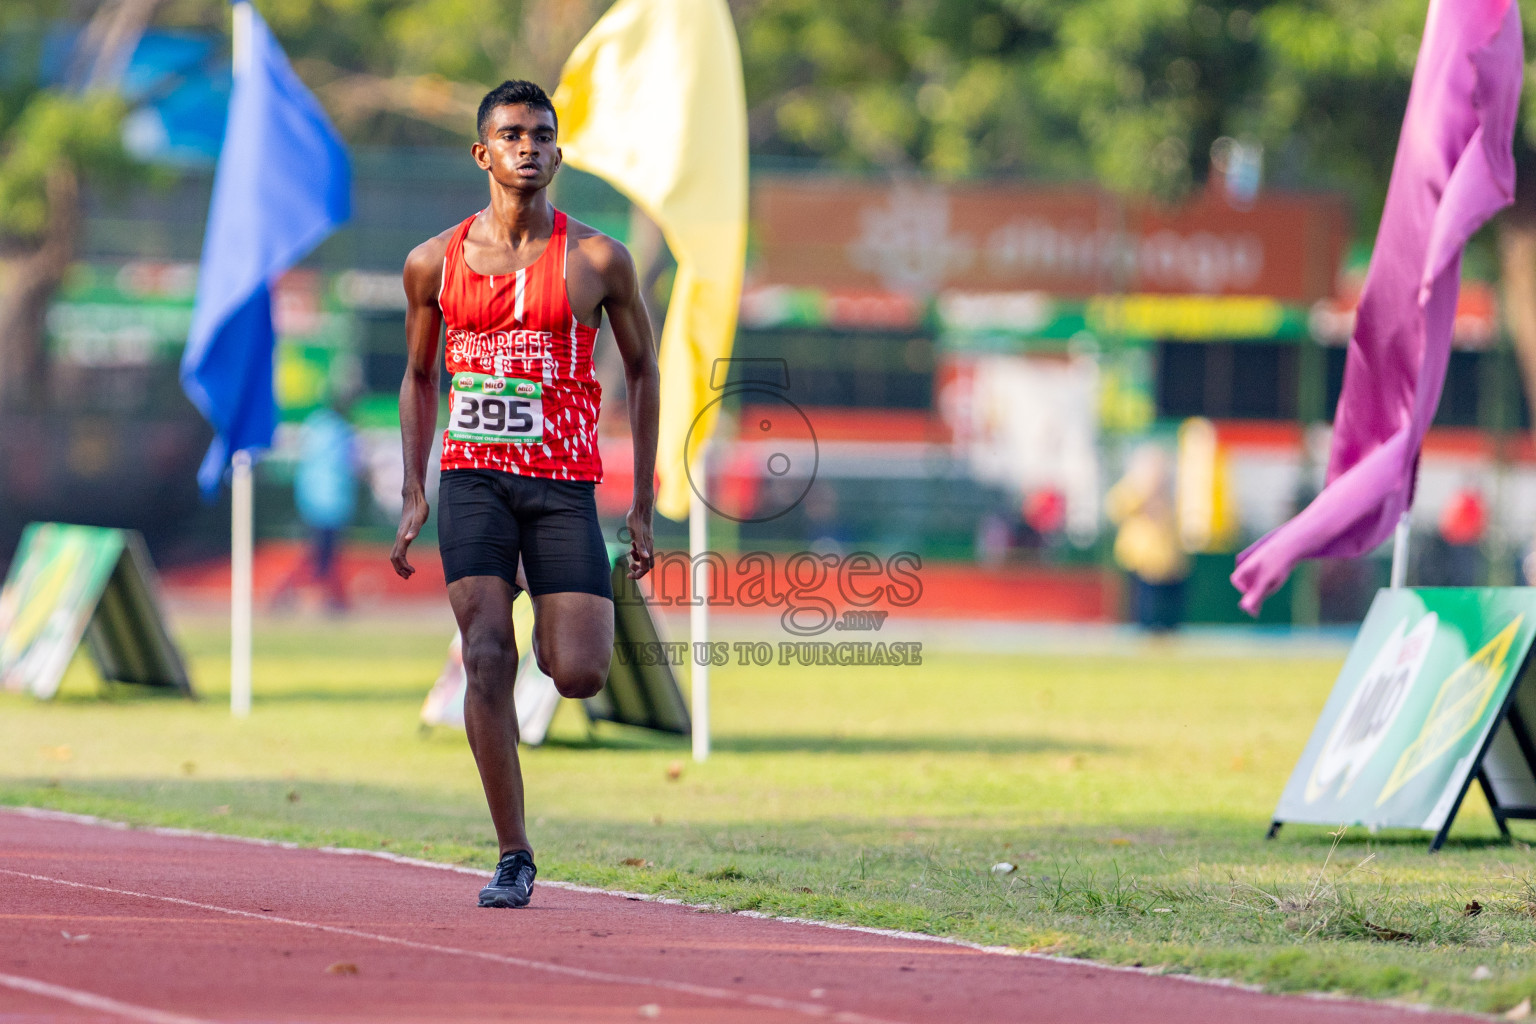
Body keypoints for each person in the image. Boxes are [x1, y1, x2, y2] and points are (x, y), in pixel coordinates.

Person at [390, 80, 659, 908]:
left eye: (543, 135)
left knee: (576, 671)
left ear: (558, 153)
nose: (529, 147)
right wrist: (413, 487)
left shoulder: (599, 260)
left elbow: (646, 371)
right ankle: (513, 853)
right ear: (484, 153)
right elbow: (419, 375)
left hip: (563, 487)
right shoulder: (433, 263)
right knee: (485, 656)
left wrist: (642, 503)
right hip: (473, 481)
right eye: (512, 134)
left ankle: (551, 621)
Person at [274, 401, 359, 612]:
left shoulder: (315, 426)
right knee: (321, 555)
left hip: (312, 501)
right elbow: (354, 464)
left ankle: (320, 599)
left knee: (318, 554)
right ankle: (314, 598)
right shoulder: (342, 431)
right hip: (331, 504)